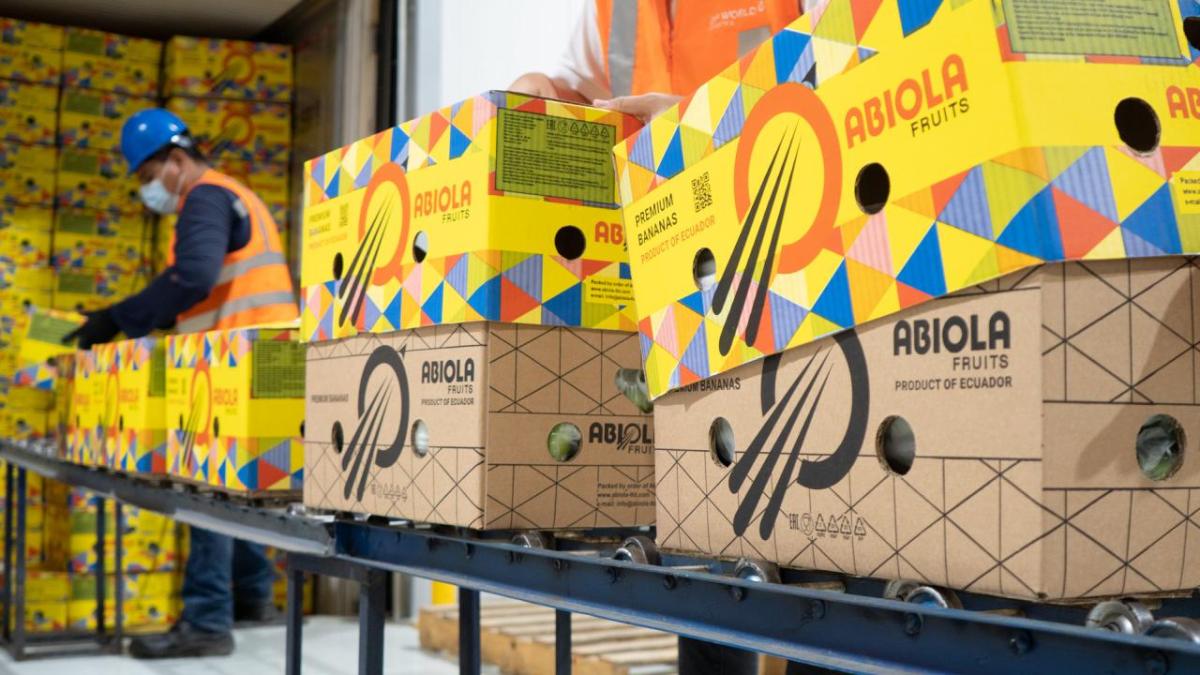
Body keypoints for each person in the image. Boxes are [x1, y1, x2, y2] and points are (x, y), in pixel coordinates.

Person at [511, 2, 812, 674]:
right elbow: (576, 85)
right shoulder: (613, 10)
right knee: (702, 540)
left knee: (829, 567)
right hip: (678, 283)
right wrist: (543, 92)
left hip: (798, 267)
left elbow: (858, 72)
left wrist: (696, 123)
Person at [63, 108, 298, 659]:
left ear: (176, 160)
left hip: (234, 360)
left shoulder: (205, 197)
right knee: (248, 483)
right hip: (272, 355)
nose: (149, 191)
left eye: (148, 177)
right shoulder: (235, 194)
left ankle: (207, 621)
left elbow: (193, 275)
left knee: (206, 486)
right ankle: (252, 598)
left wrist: (117, 317)